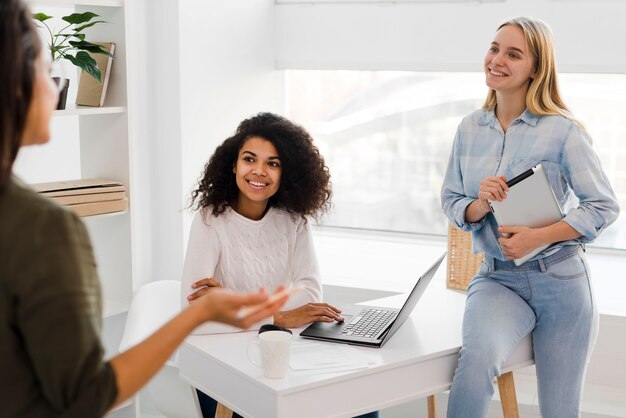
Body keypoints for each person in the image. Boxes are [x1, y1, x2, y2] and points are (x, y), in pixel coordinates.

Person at [0, 1, 288, 416]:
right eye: (48, 72)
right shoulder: (42, 230)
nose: (57, 87)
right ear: (14, 86)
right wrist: (200, 312)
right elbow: (85, 397)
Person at [441, 17, 619, 418]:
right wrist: (480, 204)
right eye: (494, 48)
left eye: (513, 54)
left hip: (561, 281)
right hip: (496, 278)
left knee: (558, 410)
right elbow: (452, 200)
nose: (497, 60)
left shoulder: (563, 132)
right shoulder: (469, 129)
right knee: (473, 368)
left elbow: (603, 206)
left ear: (536, 69)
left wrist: (538, 237)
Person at [182, 113, 379, 418]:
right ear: (234, 165)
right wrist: (278, 316)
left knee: (360, 402)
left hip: (279, 354)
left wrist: (233, 305)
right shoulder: (211, 220)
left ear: (286, 172)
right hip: (225, 368)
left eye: (273, 163)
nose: (259, 171)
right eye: (249, 159)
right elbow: (195, 316)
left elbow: (310, 294)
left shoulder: (293, 220)